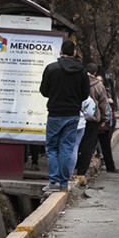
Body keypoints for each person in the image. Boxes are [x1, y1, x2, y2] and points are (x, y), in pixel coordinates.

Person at [39, 40, 89, 193]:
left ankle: (53, 181)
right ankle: (63, 182)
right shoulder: (81, 71)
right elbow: (85, 94)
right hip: (73, 114)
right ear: (74, 53)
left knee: (52, 148)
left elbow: (44, 91)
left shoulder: (51, 69)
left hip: (55, 114)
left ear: (61, 52)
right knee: (66, 147)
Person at [73, 63, 110, 181]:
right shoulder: (99, 86)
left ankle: (72, 166)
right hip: (93, 120)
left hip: (77, 117)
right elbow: (103, 103)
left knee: (75, 144)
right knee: (88, 146)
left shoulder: (77, 81)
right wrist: (104, 118)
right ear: (95, 73)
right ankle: (81, 171)